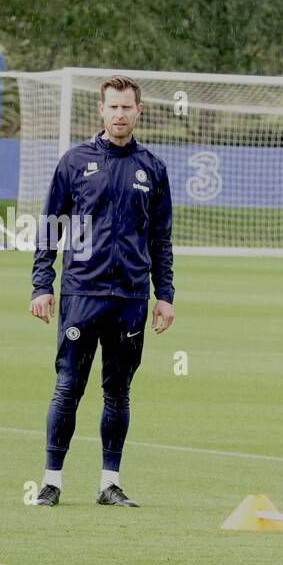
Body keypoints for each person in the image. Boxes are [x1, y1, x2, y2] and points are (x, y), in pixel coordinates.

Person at [28, 75, 175, 507]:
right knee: (68, 386)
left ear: (139, 111)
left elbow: (161, 239)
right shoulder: (74, 162)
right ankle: (51, 481)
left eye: (127, 107)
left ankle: (109, 483)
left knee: (118, 392)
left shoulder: (153, 168)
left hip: (130, 297)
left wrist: (164, 295)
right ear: (101, 110)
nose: (120, 114)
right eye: (113, 106)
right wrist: (42, 284)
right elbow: (49, 227)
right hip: (80, 293)